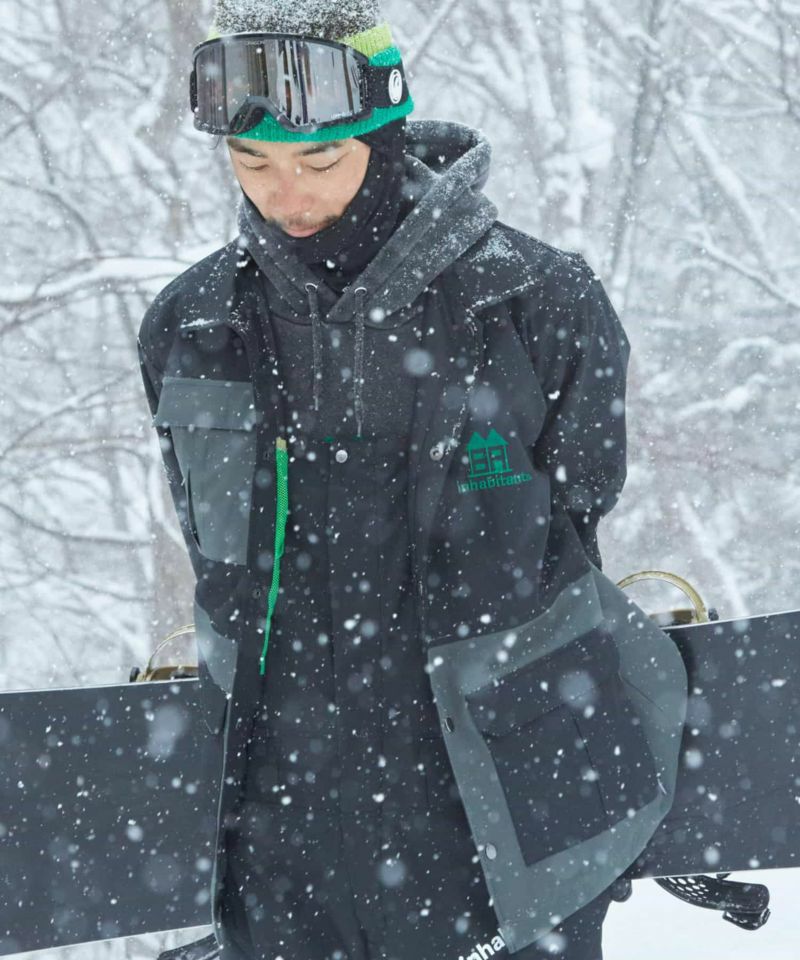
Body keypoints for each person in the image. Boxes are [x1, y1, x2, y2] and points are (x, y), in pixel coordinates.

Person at [138, 2, 689, 959]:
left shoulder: (536, 301)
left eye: (319, 160)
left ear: (383, 135)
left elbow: (578, 510)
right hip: (277, 830)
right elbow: (213, 550)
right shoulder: (193, 326)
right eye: (252, 161)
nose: (286, 193)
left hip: (504, 813)